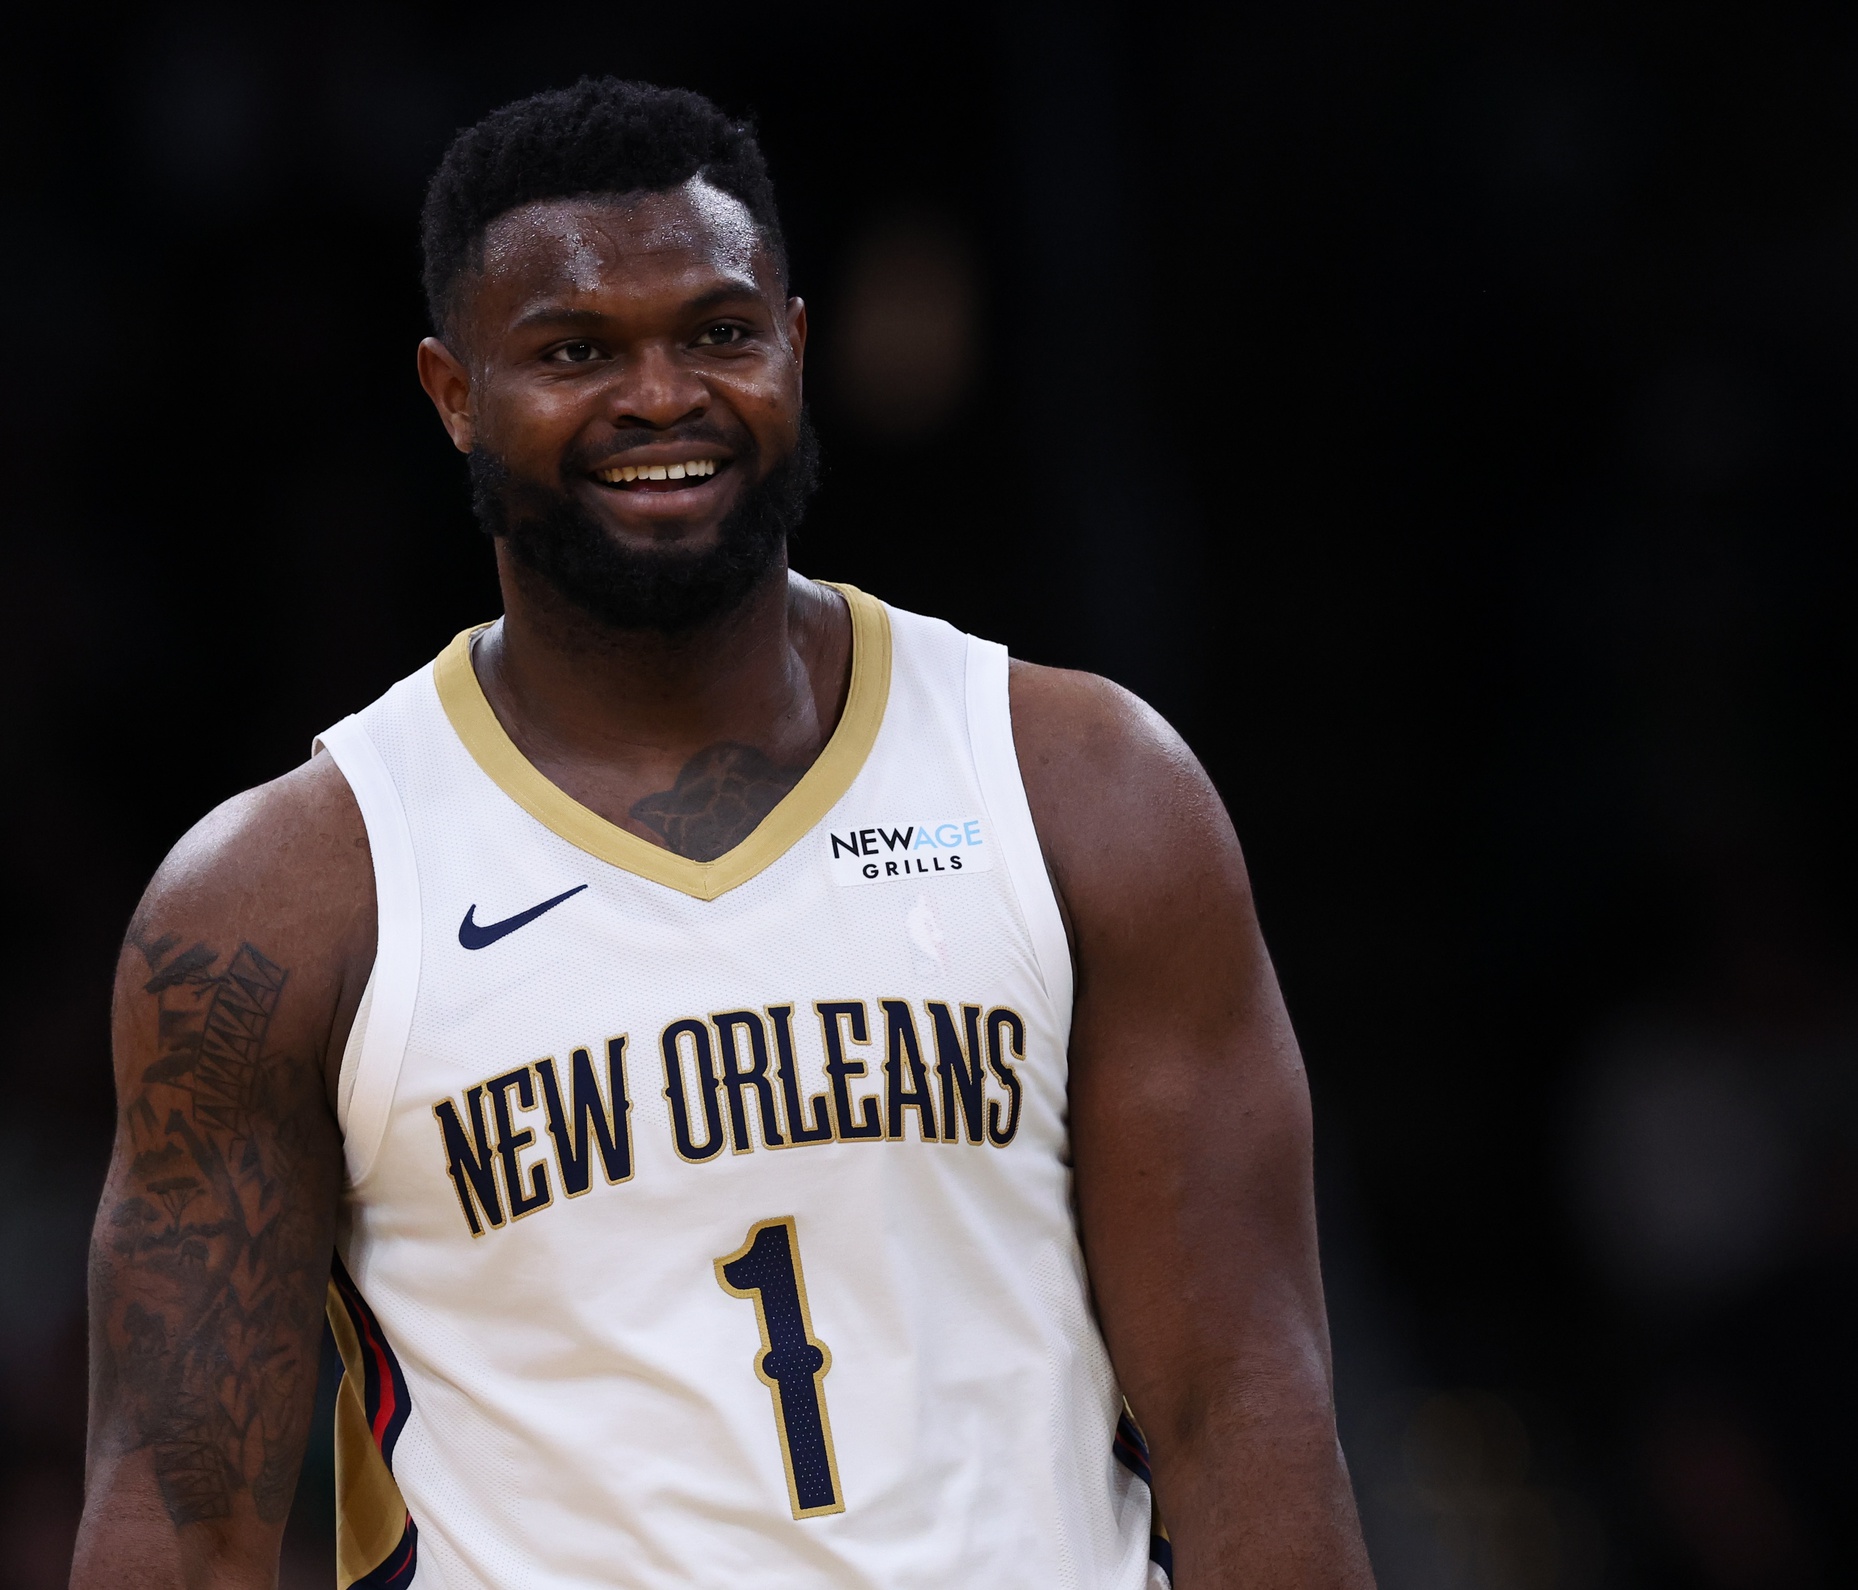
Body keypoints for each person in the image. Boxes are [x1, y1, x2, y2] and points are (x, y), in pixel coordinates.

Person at [70, 77, 1374, 1590]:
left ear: (796, 349)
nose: (662, 395)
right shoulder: (287, 897)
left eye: (717, 332)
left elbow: (1242, 1408)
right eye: (575, 351)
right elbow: (179, 1522)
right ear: (452, 394)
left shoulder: (1083, 784)